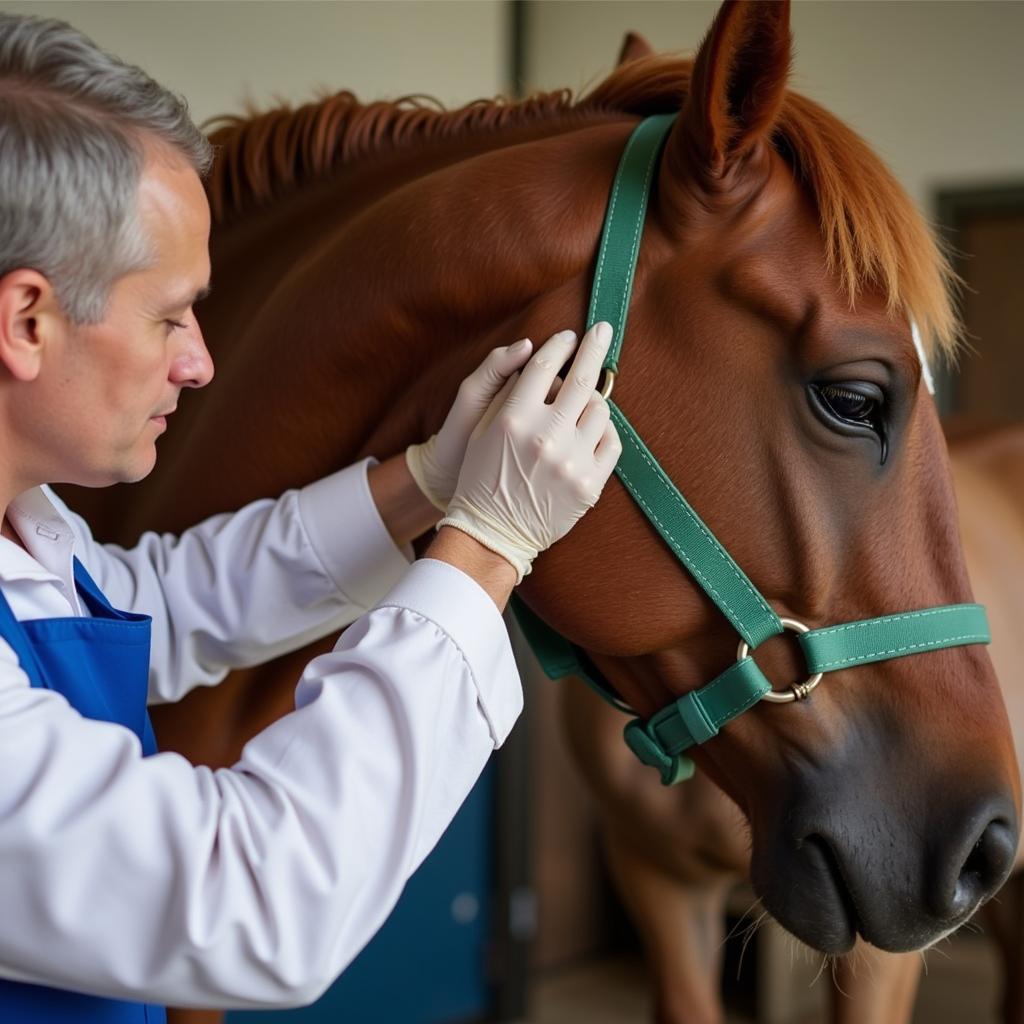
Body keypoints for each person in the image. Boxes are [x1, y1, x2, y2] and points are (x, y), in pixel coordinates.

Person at [0, 12, 622, 1022]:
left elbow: (159, 603)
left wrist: (425, 481)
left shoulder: (32, 529)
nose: (197, 361)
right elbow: (245, 897)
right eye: (170, 315)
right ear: (28, 320)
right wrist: (489, 546)